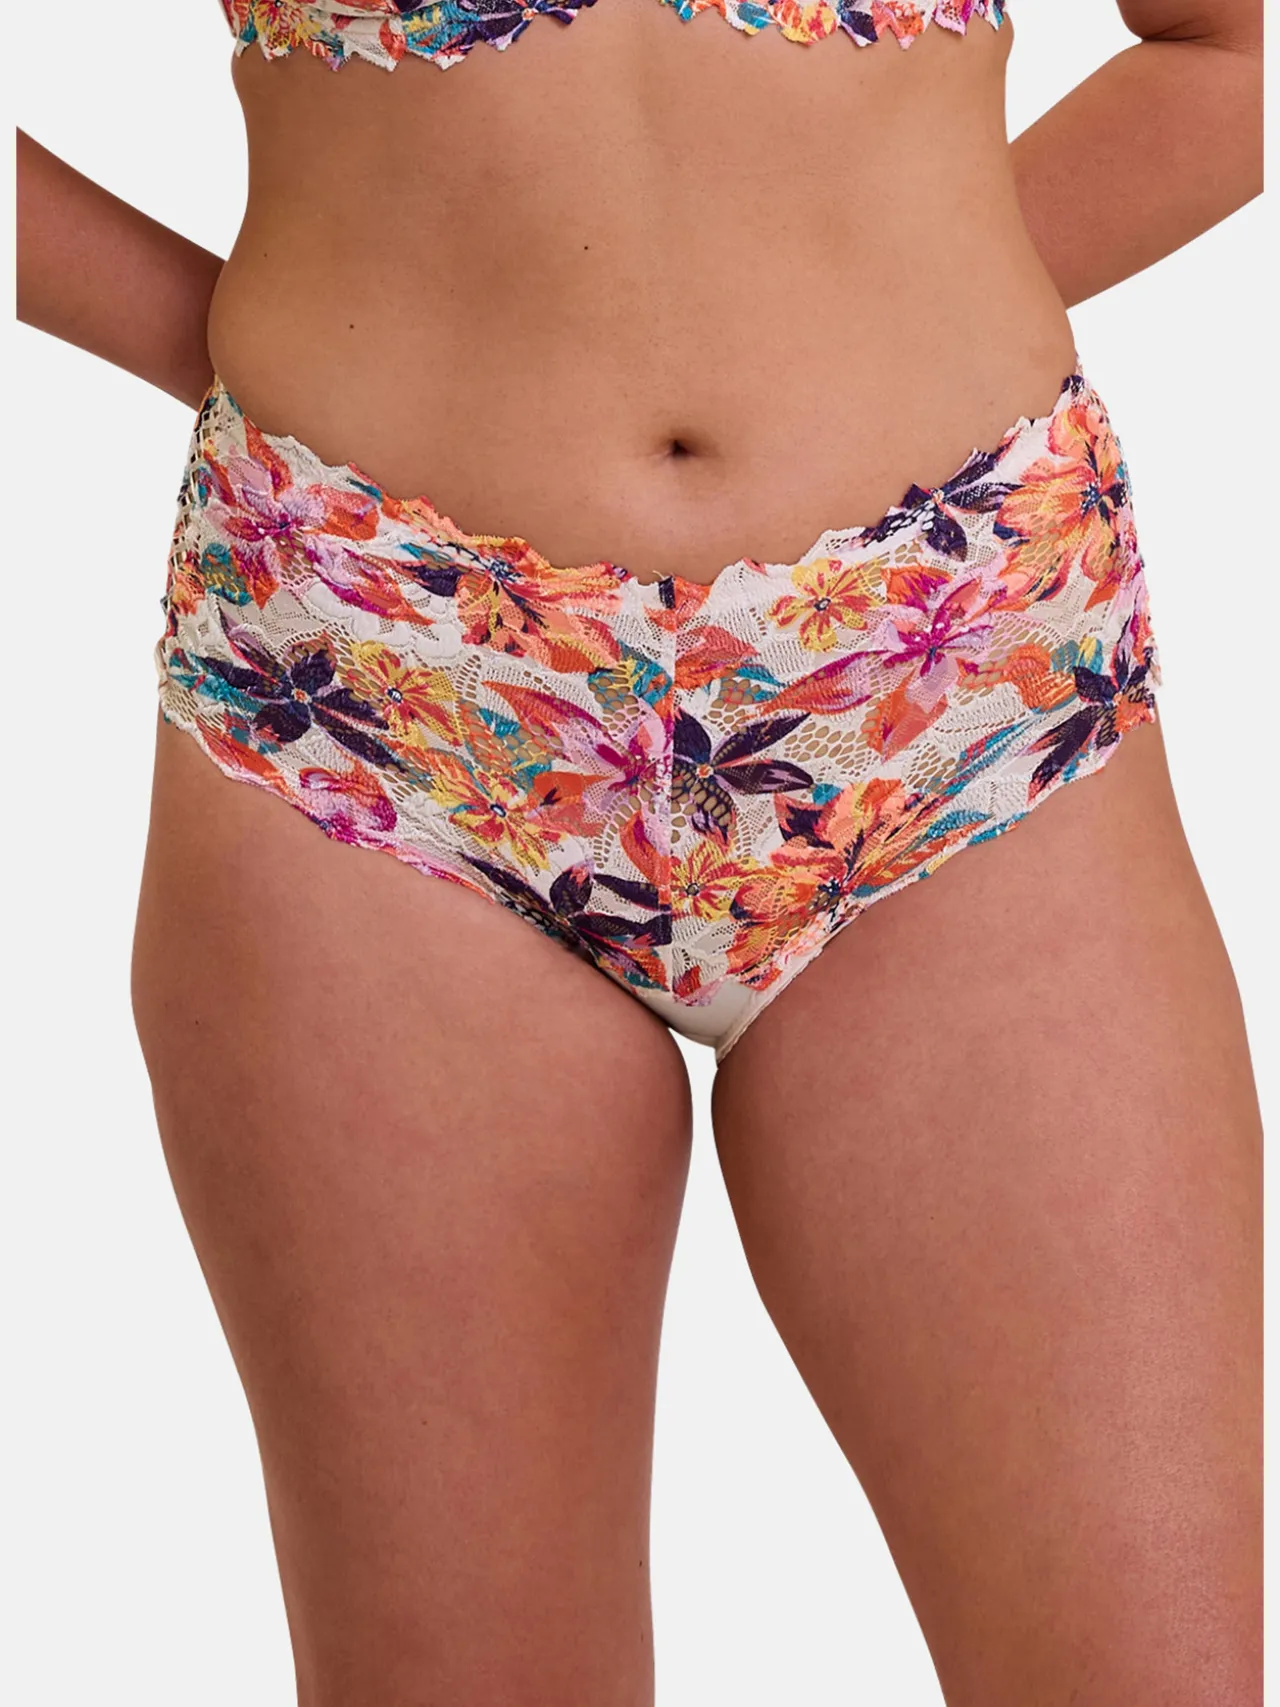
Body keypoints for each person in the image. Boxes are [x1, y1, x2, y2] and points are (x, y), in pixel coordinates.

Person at [16, 2, 1263, 1701]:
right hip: (382, 667)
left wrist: (862, 308)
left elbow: (1232, 54)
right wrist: (238, 342)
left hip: (948, 654)